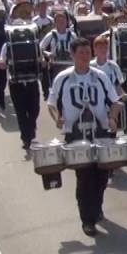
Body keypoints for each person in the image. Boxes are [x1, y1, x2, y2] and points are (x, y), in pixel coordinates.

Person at [46, 37, 122, 237]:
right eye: (81, 53)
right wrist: (57, 118)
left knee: (102, 176)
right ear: (72, 54)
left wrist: (113, 118)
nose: (85, 56)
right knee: (85, 177)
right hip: (76, 134)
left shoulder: (100, 76)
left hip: (101, 132)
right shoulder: (62, 78)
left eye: (87, 52)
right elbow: (51, 103)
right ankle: (87, 220)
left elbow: (115, 101)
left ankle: (97, 208)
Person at [0, 21, 43, 149]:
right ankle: (26, 138)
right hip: (15, 82)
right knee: (21, 112)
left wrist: (43, 62)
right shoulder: (7, 45)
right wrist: (1, 63)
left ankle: (30, 128)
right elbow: (2, 60)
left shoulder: (34, 44)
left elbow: (40, 59)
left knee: (35, 109)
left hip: (32, 81)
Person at [90, 33, 127, 135]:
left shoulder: (113, 66)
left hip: (111, 104)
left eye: (105, 48)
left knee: (111, 133)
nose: (103, 50)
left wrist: (123, 94)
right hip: (95, 104)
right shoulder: (90, 66)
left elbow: (117, 84)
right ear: (95, 50)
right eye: (100, 48)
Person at [39, 10, 76, 98]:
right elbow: (40, 48)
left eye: (63, 21)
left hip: (70, 66)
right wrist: (47, 54)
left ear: (67, 22)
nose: (61, 23)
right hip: (56, 66)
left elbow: (78, 47)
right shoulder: (51, 35)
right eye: (58, 21)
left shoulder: (72, 35)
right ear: (55, 23)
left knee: (71, 90)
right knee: (58, 90)